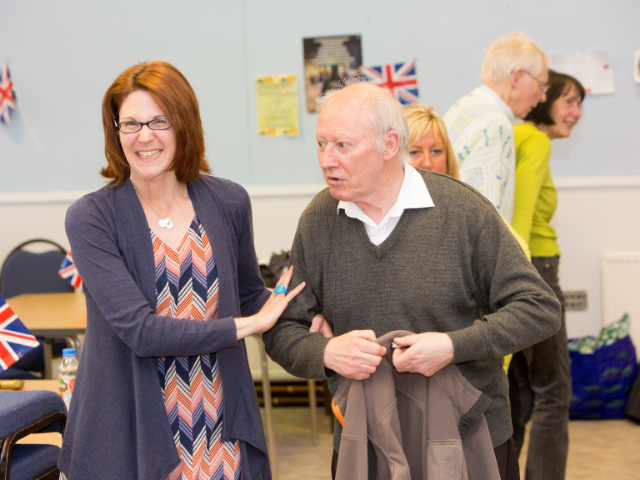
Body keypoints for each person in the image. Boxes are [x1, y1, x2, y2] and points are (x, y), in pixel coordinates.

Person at [263, 81, 562, 480]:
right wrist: (328, 354)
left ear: (389, 145)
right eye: (321, 144)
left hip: (469, 438)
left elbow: (539, 309)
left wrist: (453, 345)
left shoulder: (463, 211)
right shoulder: (319, 220)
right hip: (363, 441)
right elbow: (282, 328)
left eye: (342, 146)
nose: (326, 160)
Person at [58, 61, 304, 480]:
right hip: (130, 427)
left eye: (159, 121)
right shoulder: (91, 217)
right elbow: (141, 331)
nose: (145, 136)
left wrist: (305, 316)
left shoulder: (228, 201)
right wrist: (245, 327)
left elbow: (250, 295)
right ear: (115, 132)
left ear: (184, 124)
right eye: (130, 124)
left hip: (219, 426)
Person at [508, 70, 585, 480]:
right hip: (536, 268)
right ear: (544, 98)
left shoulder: (512, 136)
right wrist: (526, 280)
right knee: (553, 392)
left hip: (512, 272)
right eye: (568, 101)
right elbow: (520, 218)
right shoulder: (534, 140)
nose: (575, 113)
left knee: (518, 394)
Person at [444, 31, 549, 223]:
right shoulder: (495, 125)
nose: (543, 97)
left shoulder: (464, 106)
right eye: (541, 85)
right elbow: (482, 220)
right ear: (517, 77)